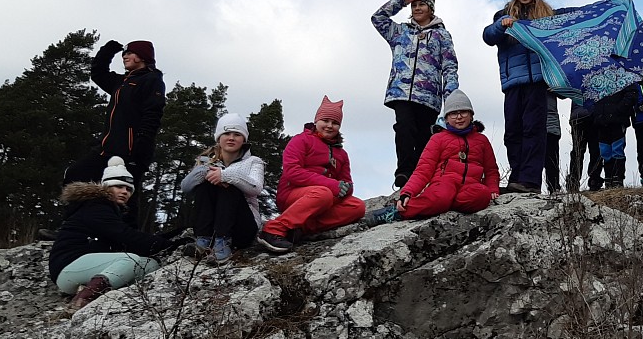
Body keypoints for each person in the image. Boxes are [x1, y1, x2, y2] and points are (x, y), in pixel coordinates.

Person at [49, 157, 187, 311]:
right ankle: (83, 300)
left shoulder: (113, 212)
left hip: (87, 267)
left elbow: (129, 238)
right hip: (67, 266)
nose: (124, 192)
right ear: (106, 188)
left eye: (128, 189)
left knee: (149, 265)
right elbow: (126, 235)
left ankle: (95, 289)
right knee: (130, 260)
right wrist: (169, 245)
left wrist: (170, 238)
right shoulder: (96, 206)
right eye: (119, 186)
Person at [64, 39, 166, 223]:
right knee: (75, 175)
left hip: (131, 151)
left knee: (126, 194)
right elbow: (98, 73)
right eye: (124, 53)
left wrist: (139, 149)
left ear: (142, 57)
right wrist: (108, 51)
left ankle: (126, 237)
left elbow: (152, 116)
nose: (124, 56)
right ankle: (72, 227)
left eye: (130, 53)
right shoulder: (121, 82)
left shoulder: (152, 80)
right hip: (106, 148)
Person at [364, 90, 500, 224]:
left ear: (471, 115)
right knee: (442, 196)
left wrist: (493, 188)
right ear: (446, 118)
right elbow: (423, 170)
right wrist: (407, 192)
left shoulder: (481, 140)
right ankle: (397, 212)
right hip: (444, 183)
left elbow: (491, 169)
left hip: (470, 185)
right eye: (453, 114)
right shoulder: (438, 138)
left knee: (482, 195)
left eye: (463, 112)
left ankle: (439, 206)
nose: (459, 117)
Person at [371, 0, 460, 188]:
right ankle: (403, 172)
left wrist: (451, 98)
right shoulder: (399, 32)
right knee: (404, 128)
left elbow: (449, 67)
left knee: (424, 137)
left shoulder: (442, 35)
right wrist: (401, 0)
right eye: (414, 5)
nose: (417, 8)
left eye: (422, 4)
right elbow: (378, 18)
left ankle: (420, 176)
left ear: (431, 8)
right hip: (401, 93)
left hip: (429, 97)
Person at [256, 96, 365, 253]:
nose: (330, 126)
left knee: (357, 206)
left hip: (325, 198)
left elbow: (347, 182)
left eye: (335, 123)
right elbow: (293, 172)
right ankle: (273, 229)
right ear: (316, 121)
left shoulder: (342, 154)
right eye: (325, 120)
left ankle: (300, 229)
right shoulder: (300, 140)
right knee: (323, 194)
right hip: (293, 195)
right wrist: (332, 185)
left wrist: (346, 189)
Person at [482, 0, 554, 194]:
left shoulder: (547, 16)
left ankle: (530, 180)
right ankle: (517, 176)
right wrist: (501, 24)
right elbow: (488, 36)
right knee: (513, 131)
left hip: (538, 82)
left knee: (534, 129)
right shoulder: (503, 15)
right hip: (513, 82)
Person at [179, 113, 267, 263]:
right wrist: (206, 170)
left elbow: (256, 187)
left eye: (237, 134)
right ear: (219, 137)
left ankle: (223, 243)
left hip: (242, 228)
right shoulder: (206, 161)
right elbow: (186, 187)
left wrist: (225, 175)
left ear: (244, 139)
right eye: (226, 133)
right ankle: (203, 241)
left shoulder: (254, 161)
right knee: (205, 185)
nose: (231, 138)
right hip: (212, 225)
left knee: (229, 187)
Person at [593, 85, 643, 188]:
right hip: (601, 120)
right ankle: (608, 179)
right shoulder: (596, 78)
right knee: (605, 151)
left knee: (617, 149)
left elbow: (632, 94)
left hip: (618, 120)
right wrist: (596, 113)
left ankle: (618, 179)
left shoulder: (624, 78)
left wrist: (619, 109)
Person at [567, 103, 604, 191]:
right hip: (595, 115)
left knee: (578, 151)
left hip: (578, 116)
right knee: (596, 151)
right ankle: (594, 180)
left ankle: (573, 181)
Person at [545, 94, 562, 194]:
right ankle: (533, 185)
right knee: (534, 159)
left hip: (551, 125)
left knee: (552, 159)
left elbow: (563, 93)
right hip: (535, 126)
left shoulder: (552, 83)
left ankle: (554, 187)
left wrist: (554, 87)